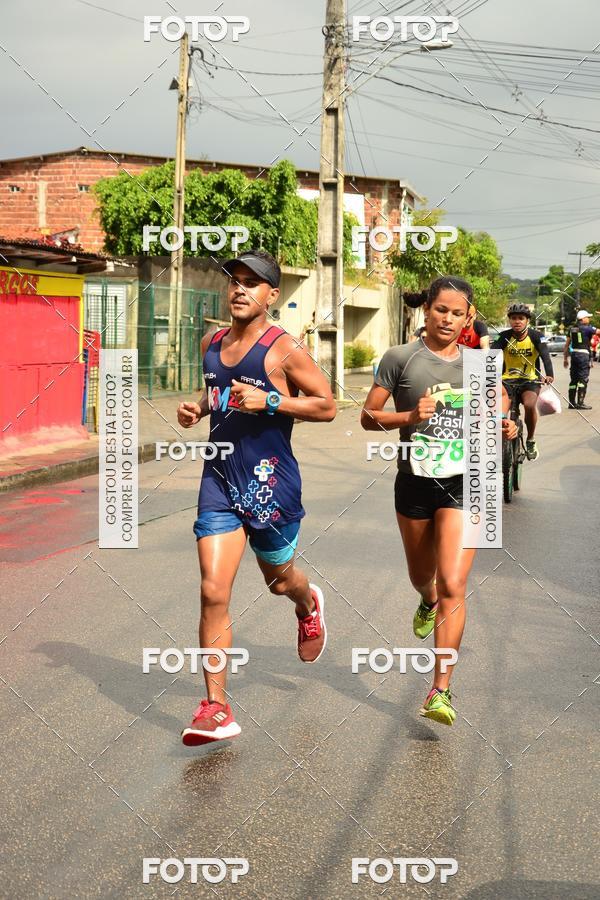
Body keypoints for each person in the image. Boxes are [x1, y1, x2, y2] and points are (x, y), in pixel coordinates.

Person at [177, 249, 336, 746]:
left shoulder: (283, 349)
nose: (240, 289)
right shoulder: (210, 342)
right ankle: (216, 708)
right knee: (212, 590)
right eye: (235, 281)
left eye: (253, 283)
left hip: (271, 484)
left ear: (272, 295)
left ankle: (308, 603)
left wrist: (270, 399)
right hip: (219, 480)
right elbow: (217, 389)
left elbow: (327, 405)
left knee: (279, 580)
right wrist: (198, 408)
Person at [360, 276, 513, 727]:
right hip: (415, 483)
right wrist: (409, 416)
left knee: (454, 584)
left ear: (469, 318)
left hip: (468, 483)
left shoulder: (480, 363)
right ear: (425, 310)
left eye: (457, 312)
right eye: (440, 309)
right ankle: (424, 599)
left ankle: (440, 690)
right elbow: (369, 417)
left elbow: (499, 407)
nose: (447, 319)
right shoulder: (399, 359)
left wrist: (507, 426)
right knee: (422, 576)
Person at [492, 303, 554, 460]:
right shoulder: (504, 336)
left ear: (527, 320)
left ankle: (531, 439)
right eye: (513, 318)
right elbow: (490, 355)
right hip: (506, 381)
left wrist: (549, 374)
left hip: (530, 381)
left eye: (521, 318)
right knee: (498, 413)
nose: (517, 321)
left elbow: (546, 356)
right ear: (509, 321)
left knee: (529, 405)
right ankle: (497, 441)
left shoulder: (536, 336)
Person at [564, 310, 600, 410]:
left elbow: (567, 345)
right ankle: (580, 403)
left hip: (574, 355)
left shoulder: (572, 329)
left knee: (574, 380)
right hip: (583, 355)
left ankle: (571, 403)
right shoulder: (588, 328)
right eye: (587, 317)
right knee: (583, 378)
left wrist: (565, 359)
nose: (588, 319)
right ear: (582, 319)